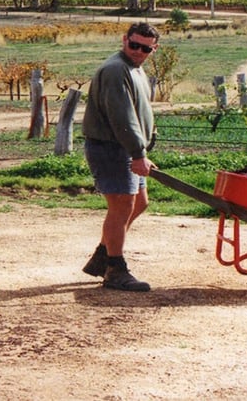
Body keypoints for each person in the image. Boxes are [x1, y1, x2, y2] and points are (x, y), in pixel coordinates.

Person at [80, 22, 160, 292]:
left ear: (153, 49)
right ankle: (115, 268)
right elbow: (121, 117)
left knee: (139, 203)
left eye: (145, 48)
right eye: (133, 44)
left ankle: (103, 256)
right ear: (124, 39)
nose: (138, 51)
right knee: (122, 206)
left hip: (126, 148)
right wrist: (138, 153)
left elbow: (139, 108)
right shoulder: (116, 70)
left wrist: (146, 144)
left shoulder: (136, 69)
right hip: (111, 148)